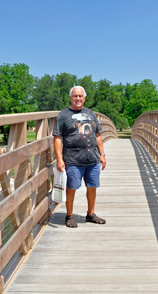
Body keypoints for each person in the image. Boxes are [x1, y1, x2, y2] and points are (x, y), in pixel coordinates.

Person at [53, 86, 107, 228]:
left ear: (84, 97)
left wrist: (102, 154)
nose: (78, 98)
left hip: (93, 158)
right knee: (72, 187)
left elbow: (98, 134)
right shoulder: (63, 115)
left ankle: (91, 214)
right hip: (73, 160)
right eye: (75, 96)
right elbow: (57, 137)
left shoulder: (90, 113)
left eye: (80, 96)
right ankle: (69, 215)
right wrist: (59, 159)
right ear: (70, 97)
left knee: (92, 186)